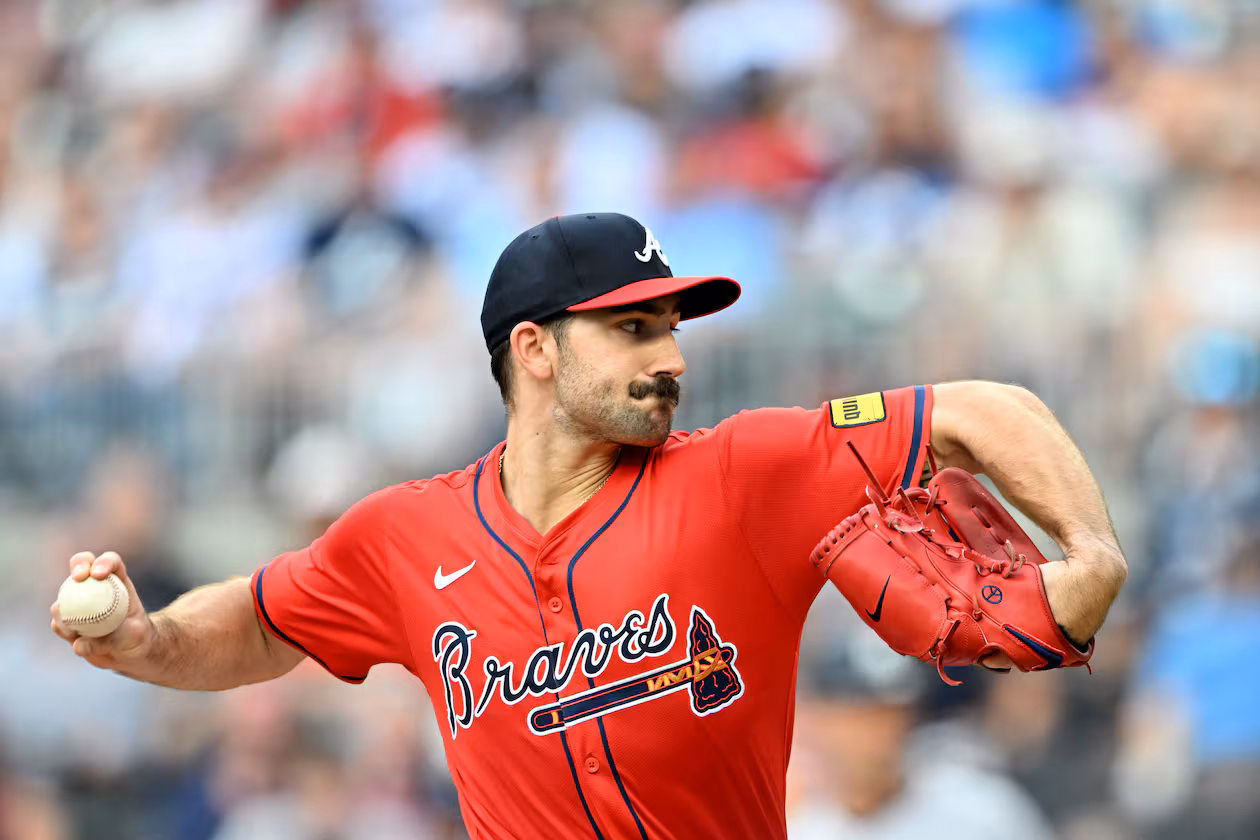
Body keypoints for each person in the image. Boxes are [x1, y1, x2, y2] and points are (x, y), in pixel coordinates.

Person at [51, 212, 1127, 839]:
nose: (672, 356)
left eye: (669, 325)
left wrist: (1092, 553)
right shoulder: (402, 537)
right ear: (535, 351)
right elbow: (260, 619)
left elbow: (989, 415)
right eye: (632, 328)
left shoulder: (748, 472)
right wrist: (146, 643)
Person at [788, 606, 1056, 840]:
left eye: (890, 714)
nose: (877, 735)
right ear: (820, 717)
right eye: (860, 716)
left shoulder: (983, 810)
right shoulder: (798, 830)